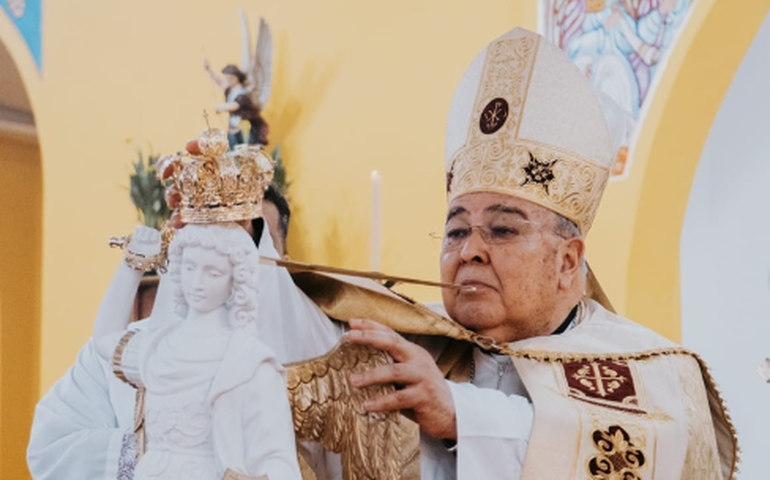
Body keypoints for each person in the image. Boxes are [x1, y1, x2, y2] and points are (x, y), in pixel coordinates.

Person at [26, 189, 341, 479]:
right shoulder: (157, 347)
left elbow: (275, 455)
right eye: (192, 266)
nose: (199, 283)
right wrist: (132, 263)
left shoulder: (253, 359)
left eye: (216, 267)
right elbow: (104, 344)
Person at [204, 61, 269, 148]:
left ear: (237, 78)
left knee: (244, 149)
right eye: (227, 78)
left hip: (246, 127)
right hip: (234, 126)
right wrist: (210, 71)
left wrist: (220, 107)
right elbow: (220, 82)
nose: (228, 81)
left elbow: (235, 106)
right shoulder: (231, 90)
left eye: (231, 78)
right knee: (232, 148)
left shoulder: (243, 93)